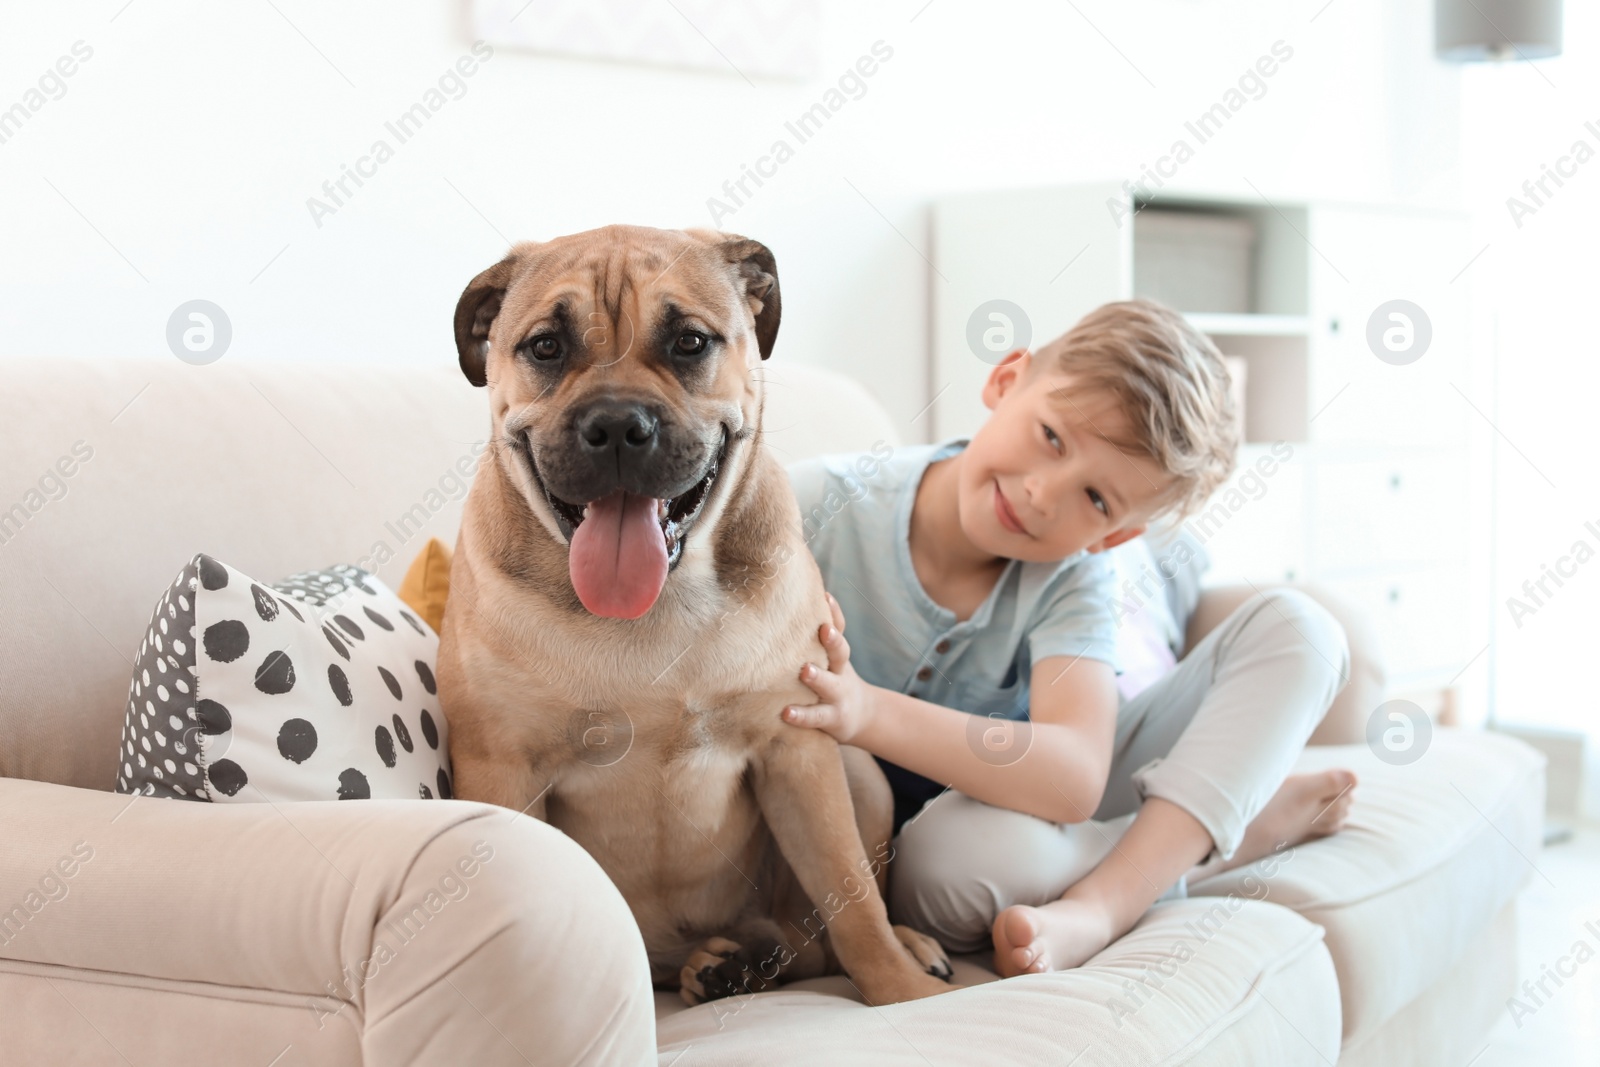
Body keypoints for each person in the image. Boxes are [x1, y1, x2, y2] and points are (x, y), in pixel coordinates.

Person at [780, 299, 1357, 976]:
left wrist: (870, 711)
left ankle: (1106, 904)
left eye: (1097, 499)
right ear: (1006, 381)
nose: (1043, 493)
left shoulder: (1073, 573)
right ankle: (1222, 828)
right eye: (1052, 436)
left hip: (1042, 794)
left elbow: (1078, 776)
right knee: (948, 869)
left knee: (1305, 631)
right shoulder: (816, 504)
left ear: (1116, 536)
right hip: (942, 851)